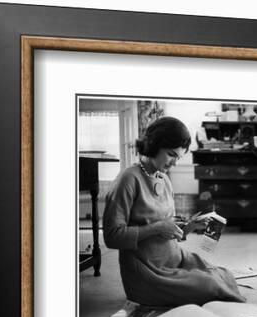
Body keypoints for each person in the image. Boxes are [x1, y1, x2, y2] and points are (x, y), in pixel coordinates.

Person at [102, 116, 245, 307]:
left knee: (225, 276)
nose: (174, 163)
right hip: (148, 272)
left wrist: (191, 226)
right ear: (154, 144)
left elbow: (170, 231)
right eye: (171, 154)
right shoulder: (128, 179)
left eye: (178, 157)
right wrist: (157, 227)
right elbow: (112, 237)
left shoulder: (164, 179)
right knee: (210, 284)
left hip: (175, 258)